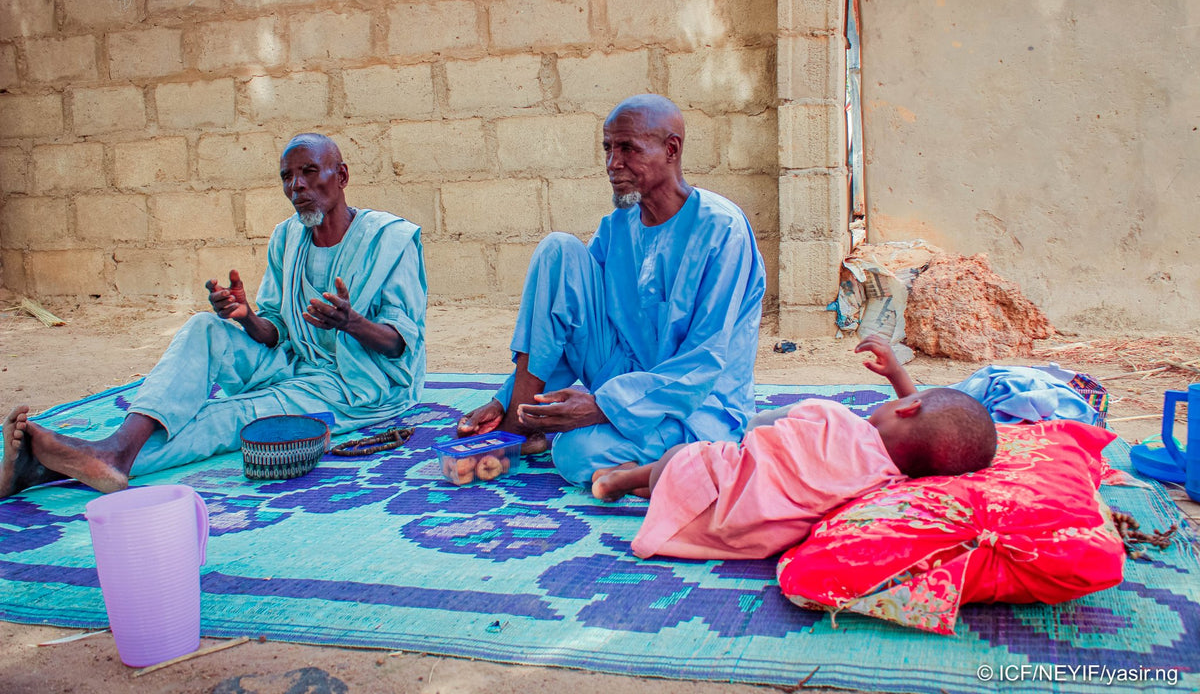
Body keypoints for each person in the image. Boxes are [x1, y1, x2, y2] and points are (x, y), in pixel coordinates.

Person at [1, 133, 427, 498]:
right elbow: (276, 330)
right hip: (295, 363)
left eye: (310, 172)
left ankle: (58, 466)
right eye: (287, 177)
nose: (297, 186)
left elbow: (399, 345)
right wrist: (245, 318)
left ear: (342, 176)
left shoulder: (391, 240)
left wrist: (350, 322)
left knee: (233, 416)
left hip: (359, 386)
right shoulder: (287, 239)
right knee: (206, 326)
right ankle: (113, 449)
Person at [457, 94, 766, 487]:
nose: (612, 164)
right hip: (624, 375)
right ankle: (522, 424)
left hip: (696, 403)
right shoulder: (618, 226)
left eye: (628, 149)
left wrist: (602, 406)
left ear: (671, 150)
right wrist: (508, 402)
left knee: (573, 453)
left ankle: (687, 462)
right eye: (608, 148)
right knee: (559, 250)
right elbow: (569, 322)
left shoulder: (721, 230)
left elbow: (704, 362)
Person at [590, 335, 998, 560]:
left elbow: (766, 427)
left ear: (907, 410)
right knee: (708, 479)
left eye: (898, 402)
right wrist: (900, 382)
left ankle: (620, 482)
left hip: (710, 485)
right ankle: (649, 488)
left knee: (693, 458)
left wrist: (897, 376)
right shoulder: (887, 483)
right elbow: (919, 422)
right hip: (752, 532)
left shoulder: (834, 419)